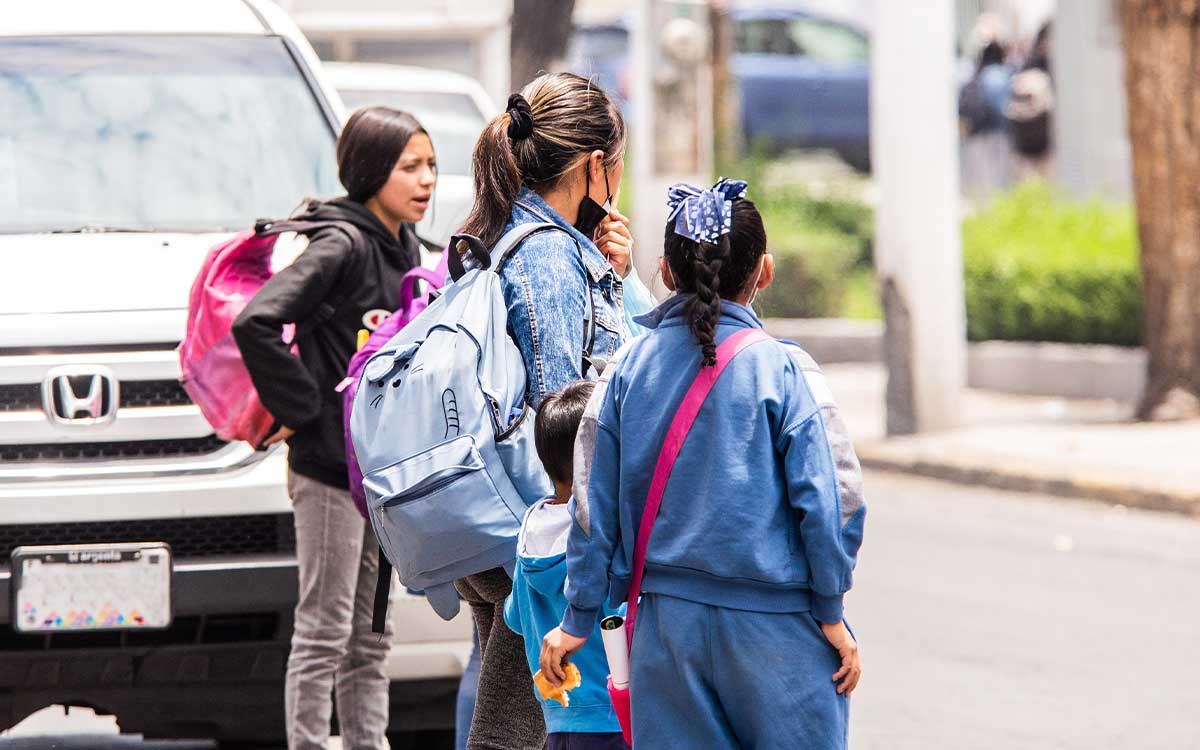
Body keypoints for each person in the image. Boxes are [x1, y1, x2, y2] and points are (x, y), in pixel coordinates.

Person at [540, 179, 867, 749]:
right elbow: (835, 498)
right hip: (779, 629)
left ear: (665, 272)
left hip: (667, 635)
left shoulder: (623, 372)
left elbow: (592, 507)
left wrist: (577, 618)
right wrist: (831, 609)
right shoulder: (788, 372)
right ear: (764, 271)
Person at [232, 107, 437, 750]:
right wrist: (308, 412)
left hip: (378, 477)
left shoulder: (406, 248)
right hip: (327, 472)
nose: (427, 179)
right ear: (373, 171)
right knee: (324, 630)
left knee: (372, 638)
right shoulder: (341, 244)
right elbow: (255, 322)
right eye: (410, 167)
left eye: (431, 165)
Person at [453, 71, 631, 750]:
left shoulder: (509, 233)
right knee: (517, 726)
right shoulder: (551, 256)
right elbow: (568, 419)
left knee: (523, 713)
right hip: (542, 533)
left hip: (502, 516)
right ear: (593, 165)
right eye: (617, 163)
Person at [503, 381, 630, 750]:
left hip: (559, 720)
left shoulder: (531, 526)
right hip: (614, 715)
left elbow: (514, 616)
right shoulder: (604, 532)